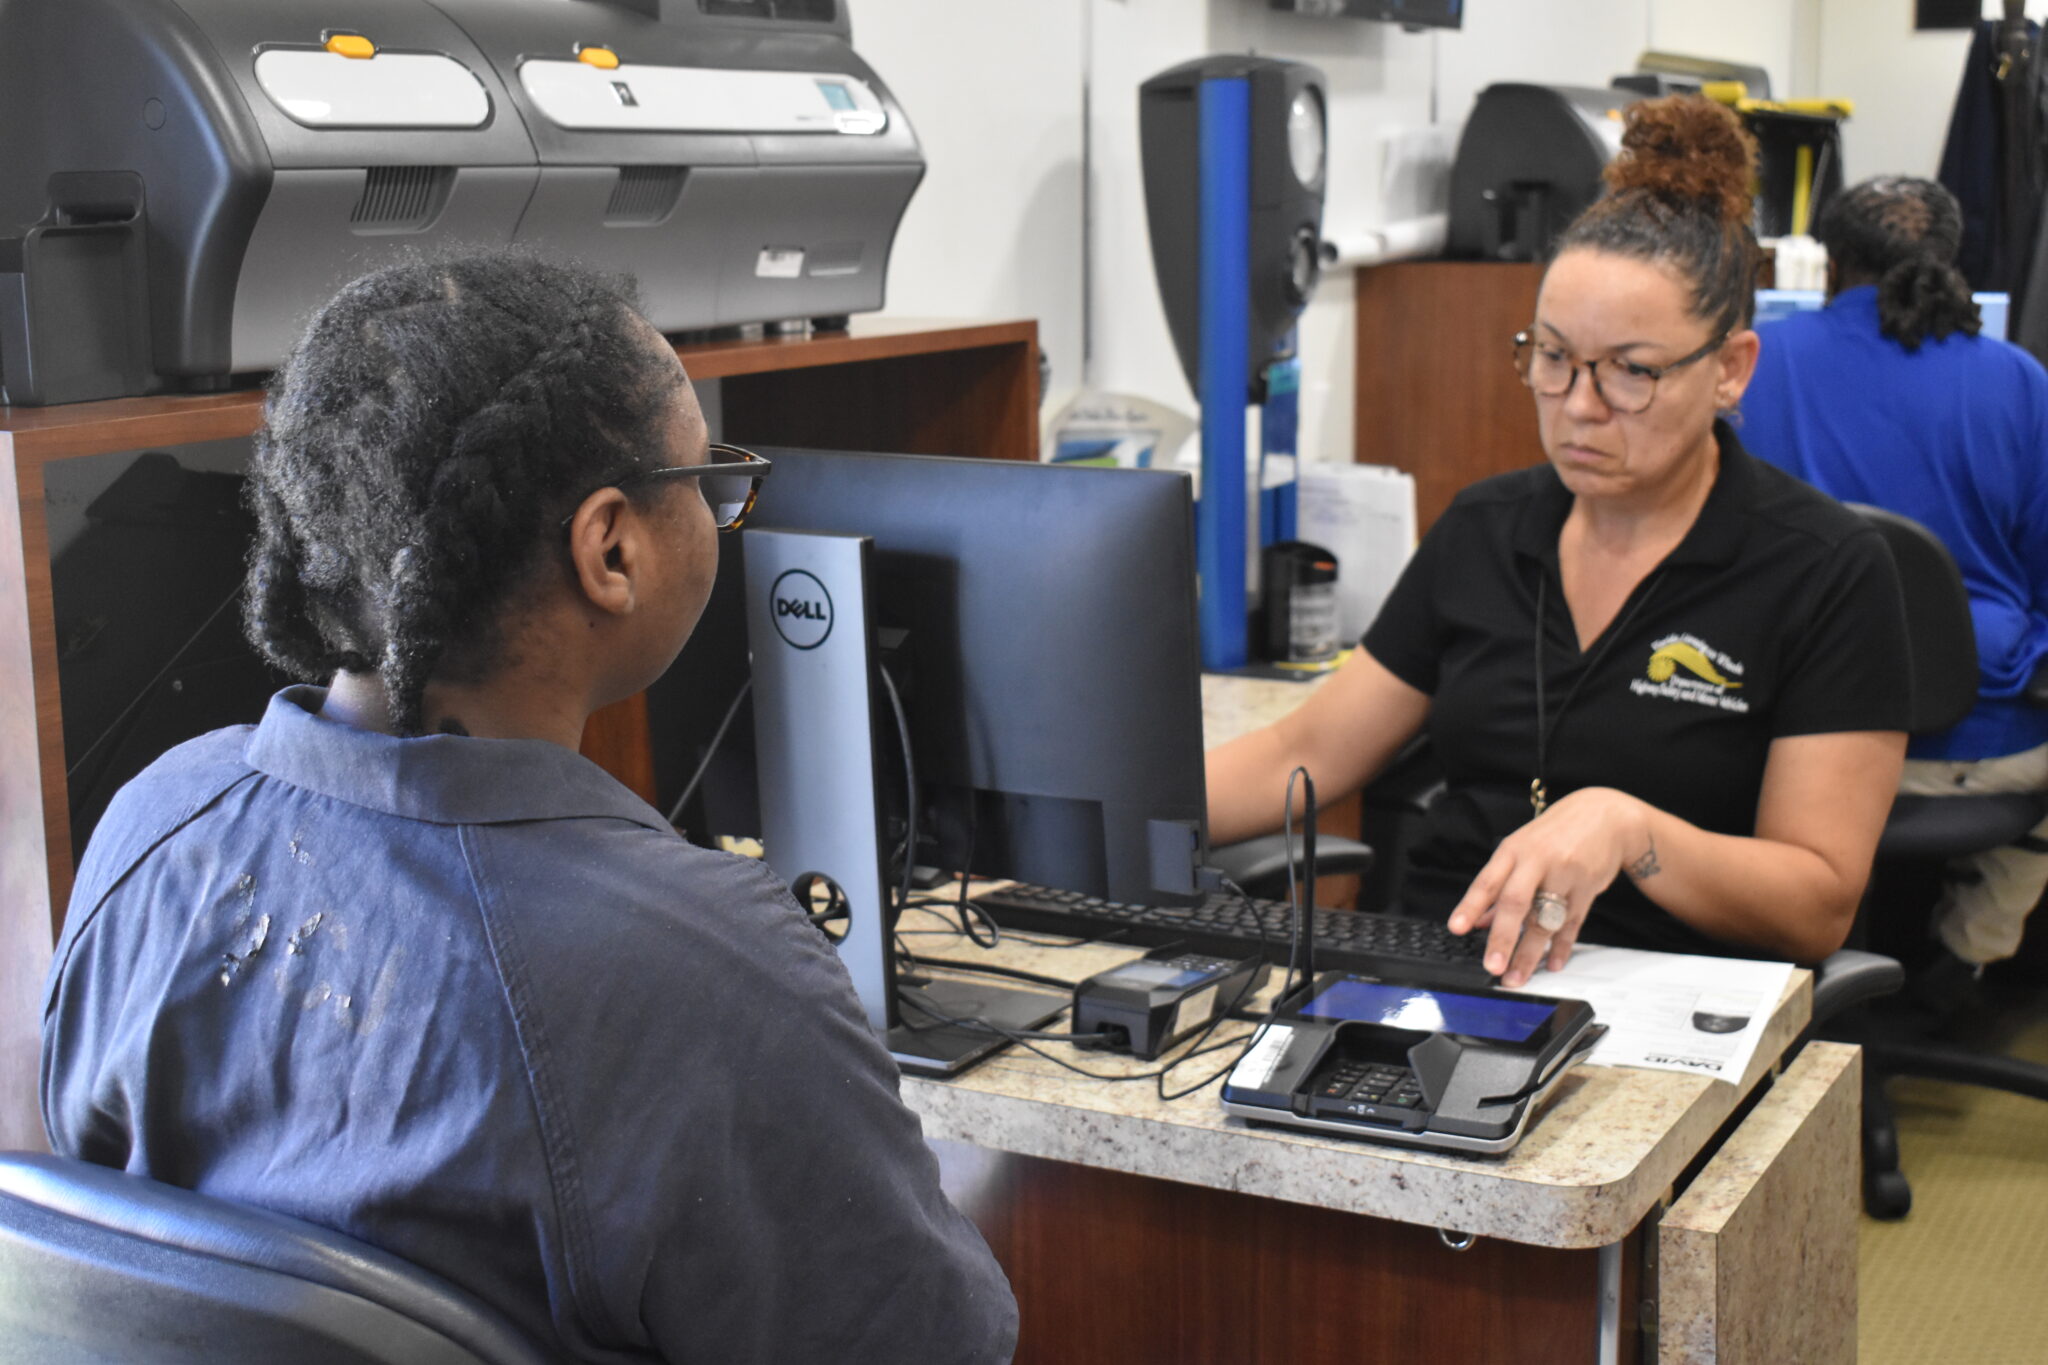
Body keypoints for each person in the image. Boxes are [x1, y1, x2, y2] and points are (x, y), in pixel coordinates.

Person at [39, 253, 1017, 1364]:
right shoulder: (701, 972)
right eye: (710, 482)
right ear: (610, 548)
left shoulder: (152, 827)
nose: (723, 507)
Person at [1208, 97, 1912, 989]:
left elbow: (1816, 902)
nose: (1579, 406)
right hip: (1444, 971)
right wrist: (1107, 800)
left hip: (1670, 995)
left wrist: (1632, 831)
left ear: (1730, 370)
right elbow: (1298, 752)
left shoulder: (1825, 571)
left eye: (1632, 371)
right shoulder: (1485, 527)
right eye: (1552, 357)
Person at [1742, 175, 2048, 984]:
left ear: (1831, 264)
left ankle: (1800, 960)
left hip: (1782, 748)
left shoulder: (1751, 365)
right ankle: (1966, 957)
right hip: (1978, 754)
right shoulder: (2020, 381)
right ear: (1952, 261)